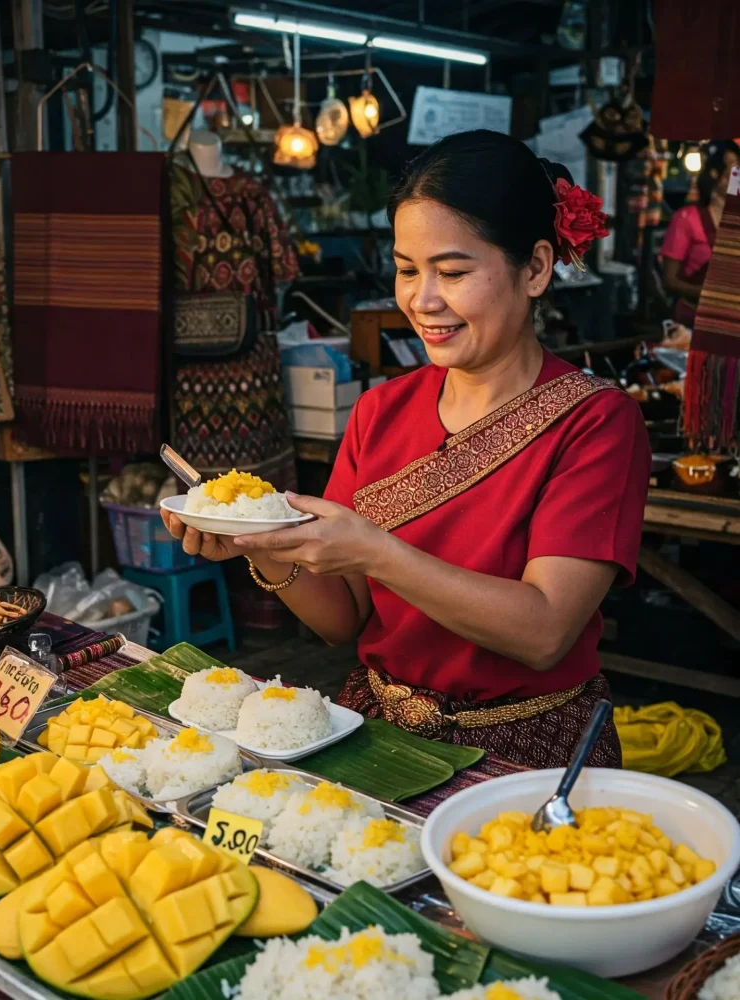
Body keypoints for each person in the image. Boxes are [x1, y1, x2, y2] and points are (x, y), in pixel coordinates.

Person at [162, 129, 651, 769]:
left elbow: (544, 631)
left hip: (528, 752)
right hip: (379, 735)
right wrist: (262, 546)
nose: (422, 301)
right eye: (405, 269)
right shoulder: (380, 412)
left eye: (452, 272)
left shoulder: (596, 423)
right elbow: (344, 618)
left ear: (533, 268)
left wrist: (377, 550)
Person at [661, 140, 740, 326]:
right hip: (693, 319)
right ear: (715, 174)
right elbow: (670, 281)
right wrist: (707, 293)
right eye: (733, 168)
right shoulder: (686, 219)